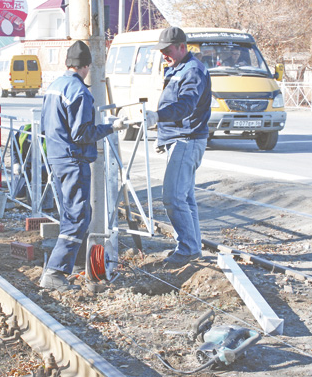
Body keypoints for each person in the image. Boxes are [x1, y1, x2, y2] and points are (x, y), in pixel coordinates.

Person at [39, 40, 128, 291]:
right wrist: (111, 127)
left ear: (68, 63)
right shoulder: (80, 92)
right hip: (73, 159)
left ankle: (73, 264)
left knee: (73, 214)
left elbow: (46, 125)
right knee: (78, 217)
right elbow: (81, 134)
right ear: (86, 66)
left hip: (57, 157)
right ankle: (55, 272)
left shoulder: (55, 87)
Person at [147, 27, 212, 268]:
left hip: (187, 139)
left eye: (168, 50)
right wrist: (162, 136)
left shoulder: (193, 71)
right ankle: (191, 247)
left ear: (182, 47)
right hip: (180, 138)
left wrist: (157, 117)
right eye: (162, 51)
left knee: (173, 197)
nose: (164, 55)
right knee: (185, 197)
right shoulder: (180, 68)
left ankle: (187, 249)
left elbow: (185, 106)